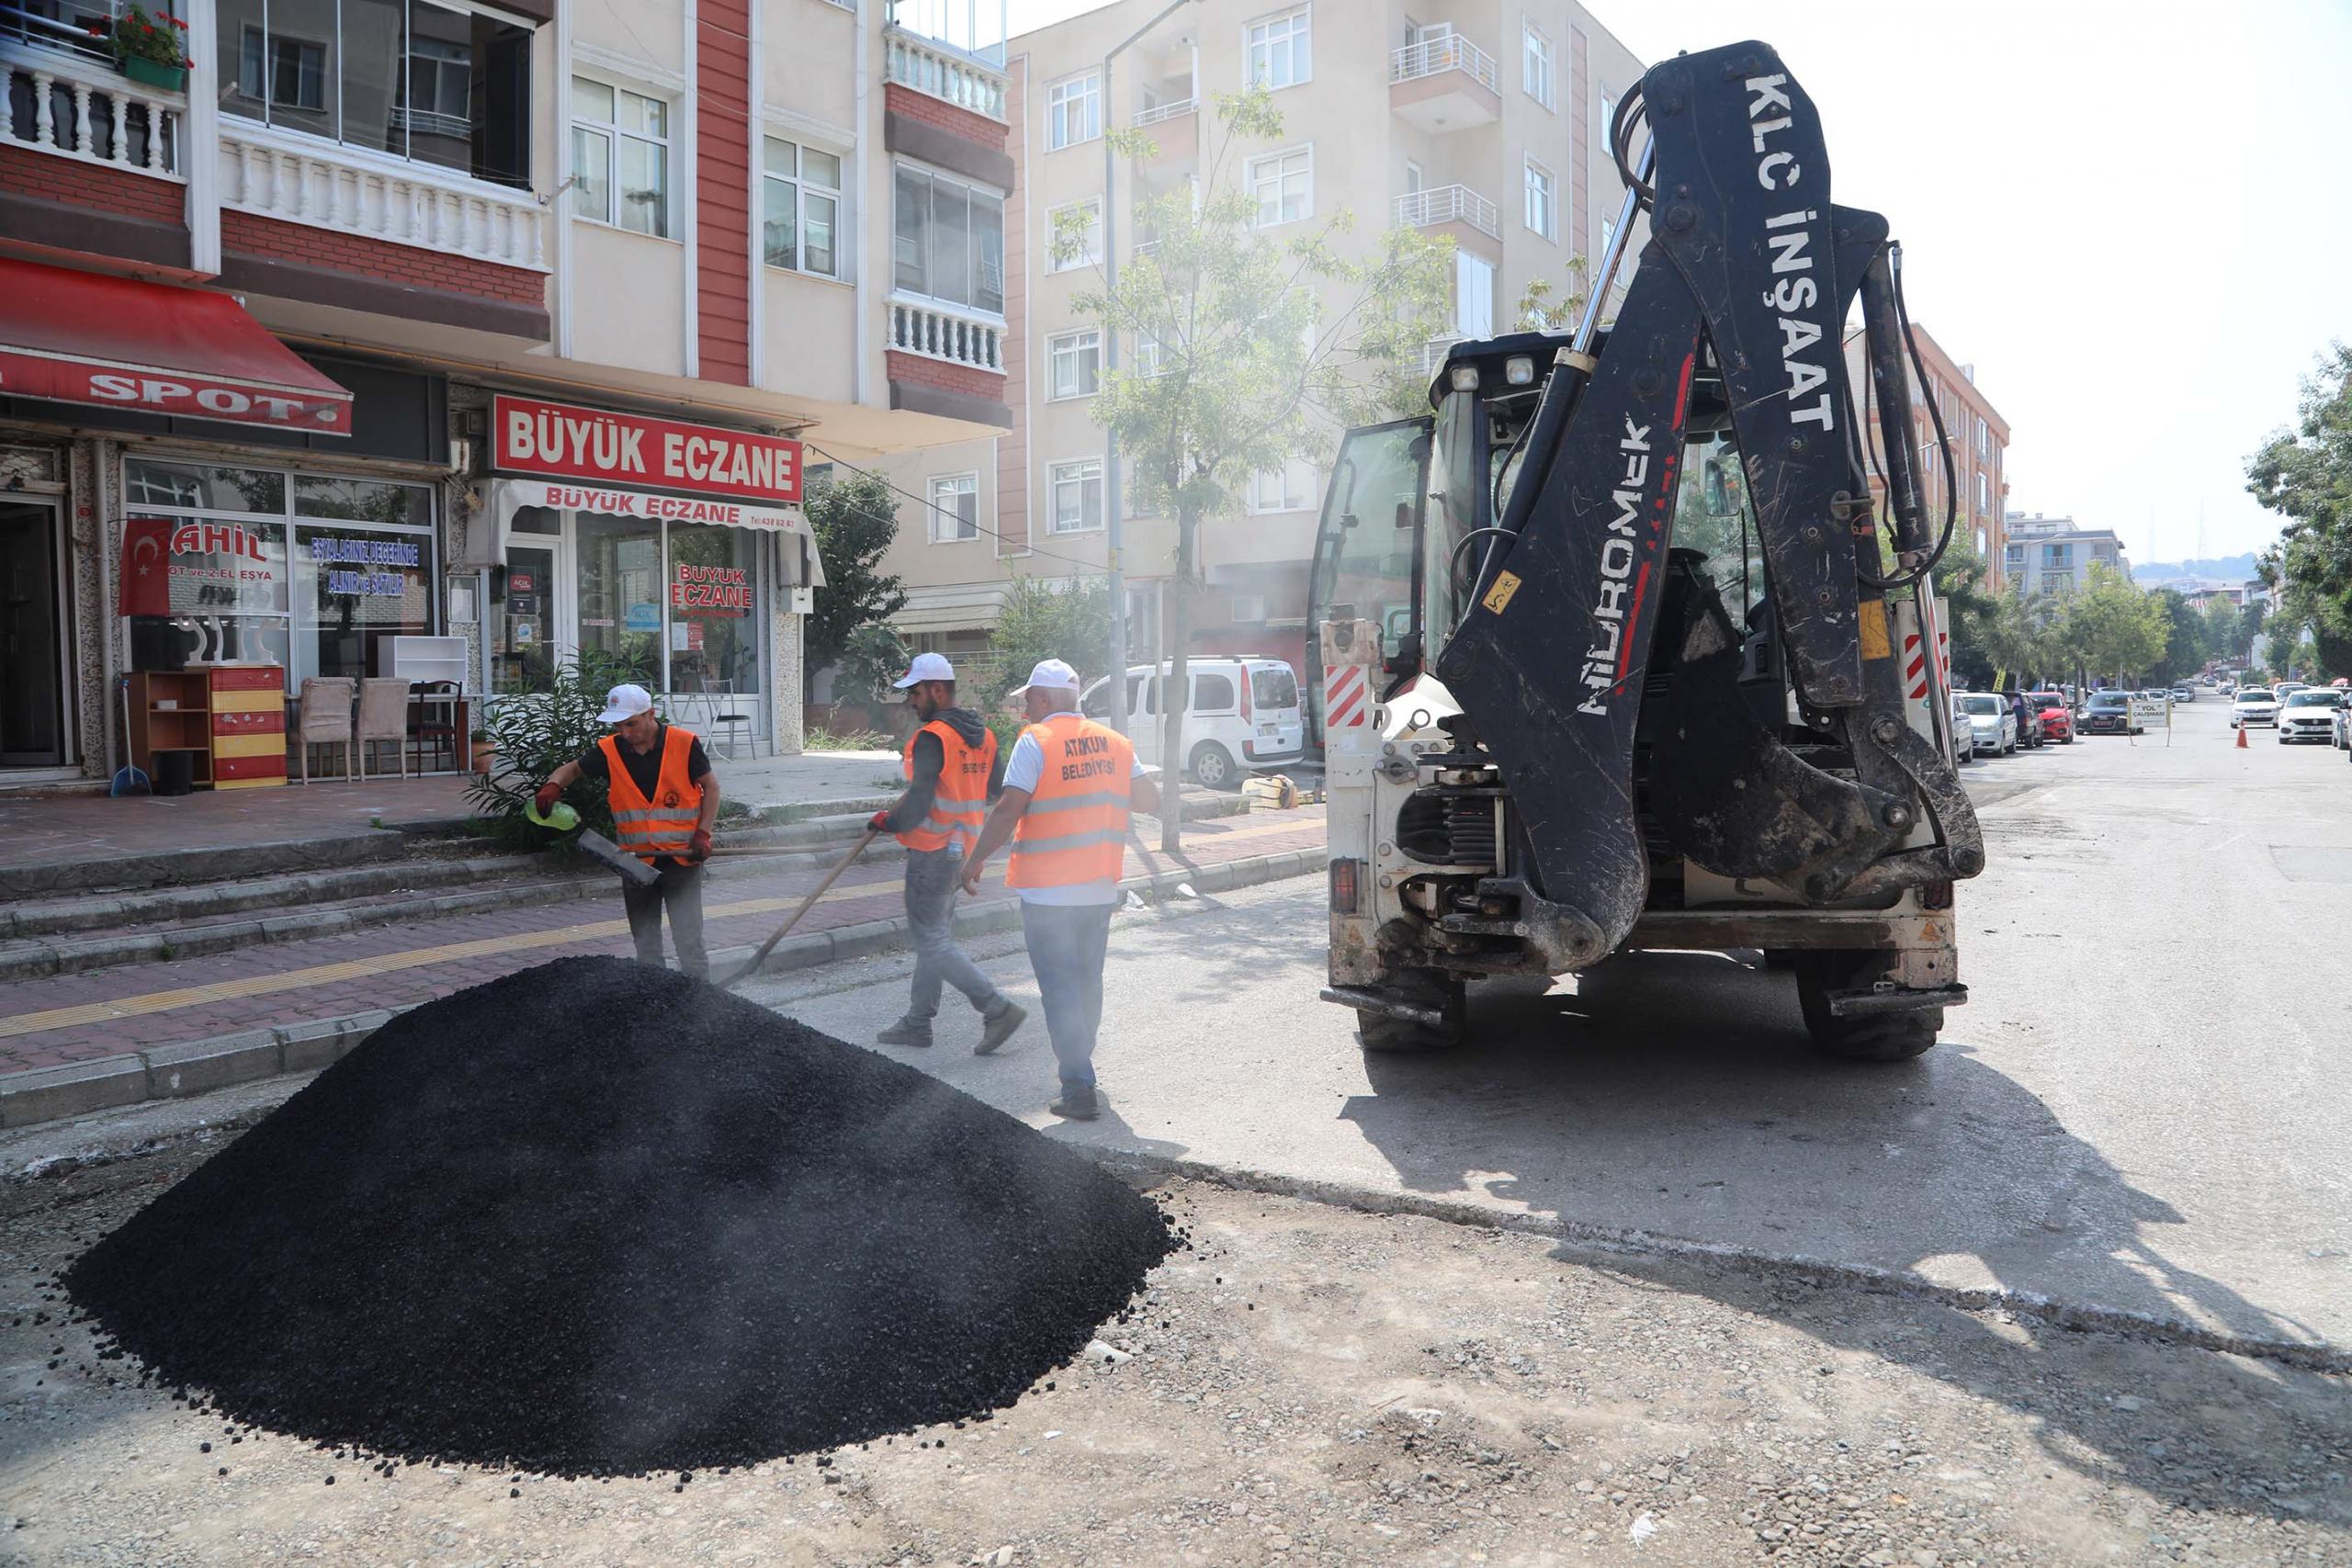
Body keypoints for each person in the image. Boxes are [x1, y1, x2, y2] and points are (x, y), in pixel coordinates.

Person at [958, 659, 1160, 1120]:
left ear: (1045, 699)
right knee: (1087, 983)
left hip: (1049, 893)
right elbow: (1150, 800)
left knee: (1059, 990)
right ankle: (1081, 1063)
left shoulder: (1037, 741)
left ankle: (1078, 1085)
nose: (1025, 704)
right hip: (1097, 889)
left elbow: (1009, 809)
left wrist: (974, 861)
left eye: (1029, 696)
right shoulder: (1116, 743)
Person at [869, 652, 1027, 1053]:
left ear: (938, 689)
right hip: (962, 850)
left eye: (916, 693)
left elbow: (920, 800)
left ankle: (996, 1008)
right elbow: (993, 790)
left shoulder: (933, 736)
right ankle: (918, 1023)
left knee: (931, 941)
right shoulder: (984, 735)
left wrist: (888, 822)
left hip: (932, 850)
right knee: (934, 938)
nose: (911, 701)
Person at [536, 683, 718, 981]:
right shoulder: (611, 750)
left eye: (631, 723)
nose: (625, 732)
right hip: (635, 862)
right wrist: (552, 786)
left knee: (689, 943)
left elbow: (711, 787)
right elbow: (571, 770)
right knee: (646, 947)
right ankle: (652, 1005)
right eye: (618, 725)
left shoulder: (684, 744)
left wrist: (704, 834)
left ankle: (700, 1006)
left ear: (650, 714)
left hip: (681, 860)